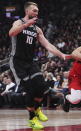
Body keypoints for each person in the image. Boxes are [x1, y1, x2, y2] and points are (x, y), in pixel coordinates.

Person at [8, 2, 71, 130]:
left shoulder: (37, 29)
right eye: (34, 11)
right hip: (17, 62)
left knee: (41, 86)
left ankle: (37, 109)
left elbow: (48, 45)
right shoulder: (19, 22)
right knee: (30, 90)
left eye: (37, 11)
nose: (36, 13)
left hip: (30, 62)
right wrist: (26, 24)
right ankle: (32, 119)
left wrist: (61, 54)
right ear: (27, 11)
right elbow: (11, 33)